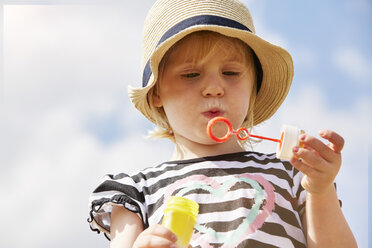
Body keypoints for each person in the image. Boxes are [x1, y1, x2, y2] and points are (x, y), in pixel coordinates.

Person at [88, 0, 357, 247]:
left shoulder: (294, 175)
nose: (214, 88)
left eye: (231, 73)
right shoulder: (135, 193)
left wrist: (320, 191)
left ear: (254, 87)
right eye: (191, 74)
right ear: (156, 92)